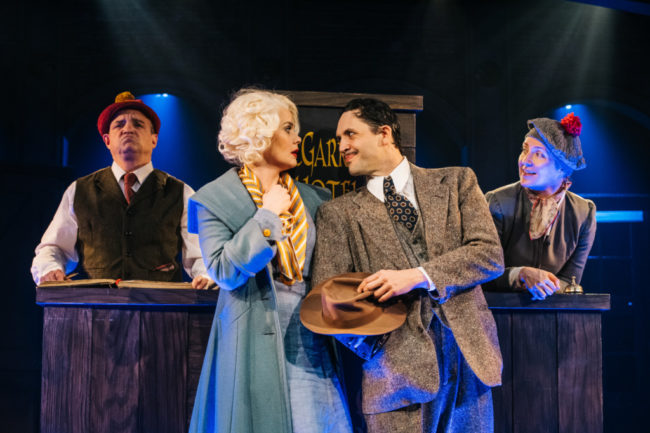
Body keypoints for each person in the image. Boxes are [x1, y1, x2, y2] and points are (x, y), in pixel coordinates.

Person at [312, 98, 505, 433]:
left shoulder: (456, 183)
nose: (341, 146)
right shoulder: (337, 214)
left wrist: (418, 276)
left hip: (470, 367)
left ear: (384, 133)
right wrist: (382, 351)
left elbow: (489, 254)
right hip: (395, 383)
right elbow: (330, 303)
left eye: (350, 135)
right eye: (340, 139)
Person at [187, 89, 352, 433]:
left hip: (311, 341)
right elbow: (223, 271)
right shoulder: (213, 199)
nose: (298, 138)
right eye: (288, 128)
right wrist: (266, 216)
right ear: (259, 134)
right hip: (250, 342)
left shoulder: (315, 199)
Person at [31, 91, 211, 288]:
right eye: (119, 125)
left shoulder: (182, 192)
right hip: (93, 310)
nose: (128, 129)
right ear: (107, 140)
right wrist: (50, 268)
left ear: (154, 139)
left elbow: (200, 253)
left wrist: (206, 276)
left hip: (161, 312)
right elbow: (54, 247)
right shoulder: (79, 190)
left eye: (138, 124)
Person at [484, 113, 596, 300]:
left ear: (562, 168)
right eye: (525, 150)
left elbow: (570, 280)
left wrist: (544, 285)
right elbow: (481, 272)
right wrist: (520, 275)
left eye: (539, 155)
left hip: (554, 321)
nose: (525, 160)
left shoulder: (584, 213)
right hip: (499, 314)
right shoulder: (498, 202)